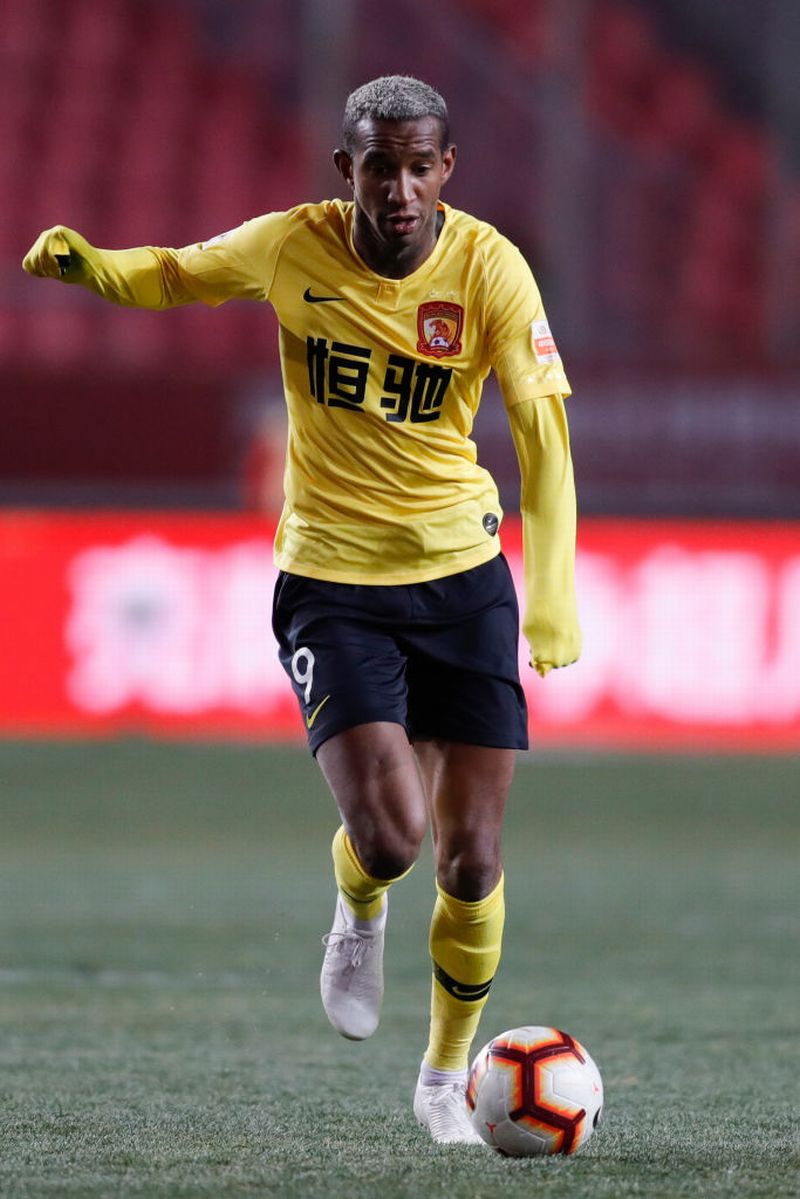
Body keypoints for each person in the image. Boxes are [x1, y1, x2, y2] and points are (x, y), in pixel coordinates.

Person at [23, 75, 581, 1145]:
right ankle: (358, 905)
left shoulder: (490, 269)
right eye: (380, 167)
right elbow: (179, 272)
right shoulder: (294, 246)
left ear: (446, 170)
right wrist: (94, 266)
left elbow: (543, 431)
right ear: (347, 169)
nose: (400, 189)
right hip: (332, 584)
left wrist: (551, 590)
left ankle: (443, 1078)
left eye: (419, 168)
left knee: (471, 860)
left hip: (463, 582)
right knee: (391, 837)